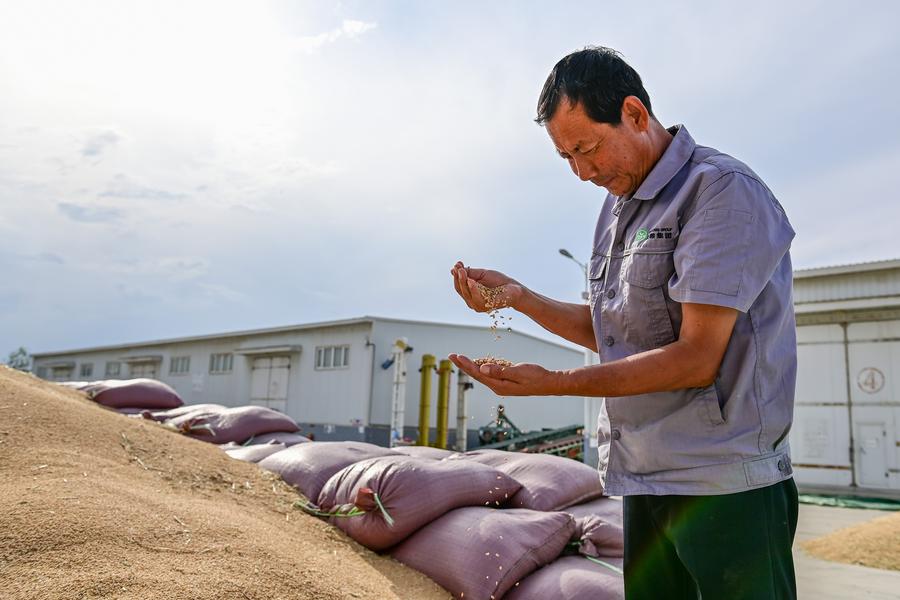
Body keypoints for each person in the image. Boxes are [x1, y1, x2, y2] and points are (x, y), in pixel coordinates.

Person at [449, 46, 798, 600]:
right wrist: (520, 298)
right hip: (646, 476)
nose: (583, 172)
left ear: (634, 114)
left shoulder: (720, 191)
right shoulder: (618, 209)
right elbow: (615, 331)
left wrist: (556, 385)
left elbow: (695, 357)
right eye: (566, 158)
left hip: (723, 485)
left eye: (587, 148)